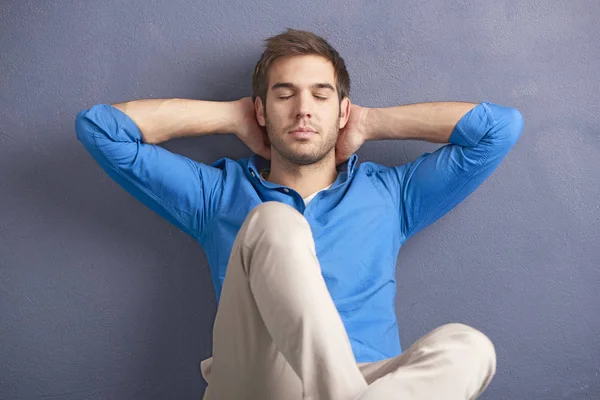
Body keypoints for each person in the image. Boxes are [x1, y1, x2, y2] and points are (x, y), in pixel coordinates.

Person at [75, 28, 524, 400]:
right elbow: (101, 129)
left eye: (320, 96)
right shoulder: (217, 193)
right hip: (257, 383)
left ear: (342, 110)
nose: (303, 109)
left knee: (470, 347)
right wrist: (232, 117)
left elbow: (499, 129)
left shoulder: (391, 194)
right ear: (262, 111)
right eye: (284, 95)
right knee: (274, 221)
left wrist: (370, 123)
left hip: (373, 382)